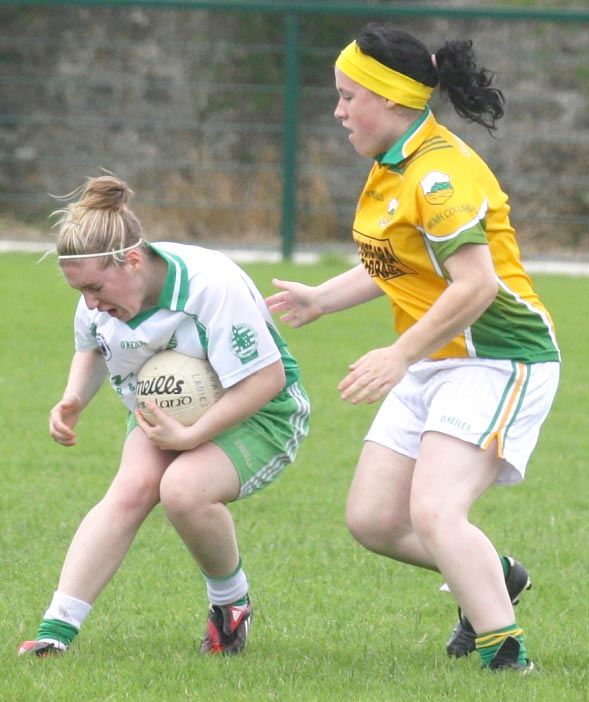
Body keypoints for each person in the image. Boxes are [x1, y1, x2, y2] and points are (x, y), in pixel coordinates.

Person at [266, 24, 560, 672]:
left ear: (389, 98)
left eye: (348, 96)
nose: (338, 110)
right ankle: (495, 575)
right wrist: (321, 298)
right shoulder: (393, 163)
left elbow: (477, 284)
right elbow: (395, 261)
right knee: (373, 520)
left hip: (498, 356)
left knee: (433, 509)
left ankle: (504, 655)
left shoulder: (438, 176)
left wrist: (397, 356)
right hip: (437, 356)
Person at [18, 173, 310, 657]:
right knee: (129, 491)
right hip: (165, 408)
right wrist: (74, 398)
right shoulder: (96, 300)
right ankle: (56, 631)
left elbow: (267, 380)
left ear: (132, 260)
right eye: (80, 292)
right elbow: (92, 347)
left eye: (94, 287)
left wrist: (192, 433)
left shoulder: (210, 285)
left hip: (259, 411)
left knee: (183, 491)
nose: (90, 303)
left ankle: (229, 606)